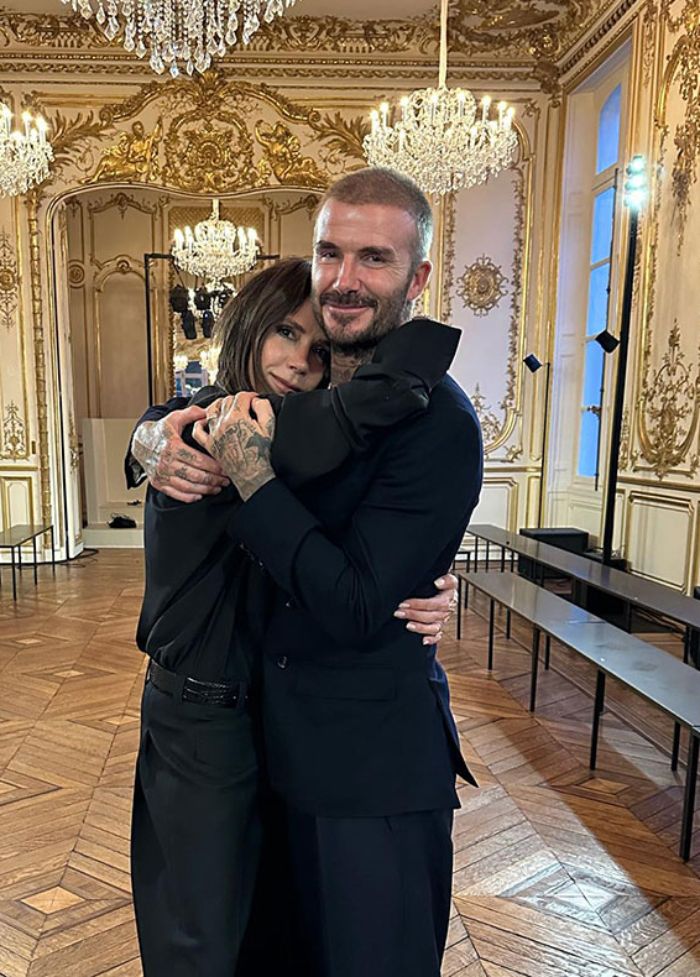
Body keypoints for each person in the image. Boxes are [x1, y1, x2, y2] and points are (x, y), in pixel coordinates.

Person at [129, 255, 462, 977]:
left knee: (267, 936)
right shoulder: (208, 426)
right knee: (201, 943)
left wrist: (427, 575)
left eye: (319, 350)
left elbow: (338, 550)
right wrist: (145, 439)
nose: (299, 362)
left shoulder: (287, 446)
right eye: (285, 332)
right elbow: (356, 411)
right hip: (201, 725)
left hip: (278, 718)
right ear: (249, 324)